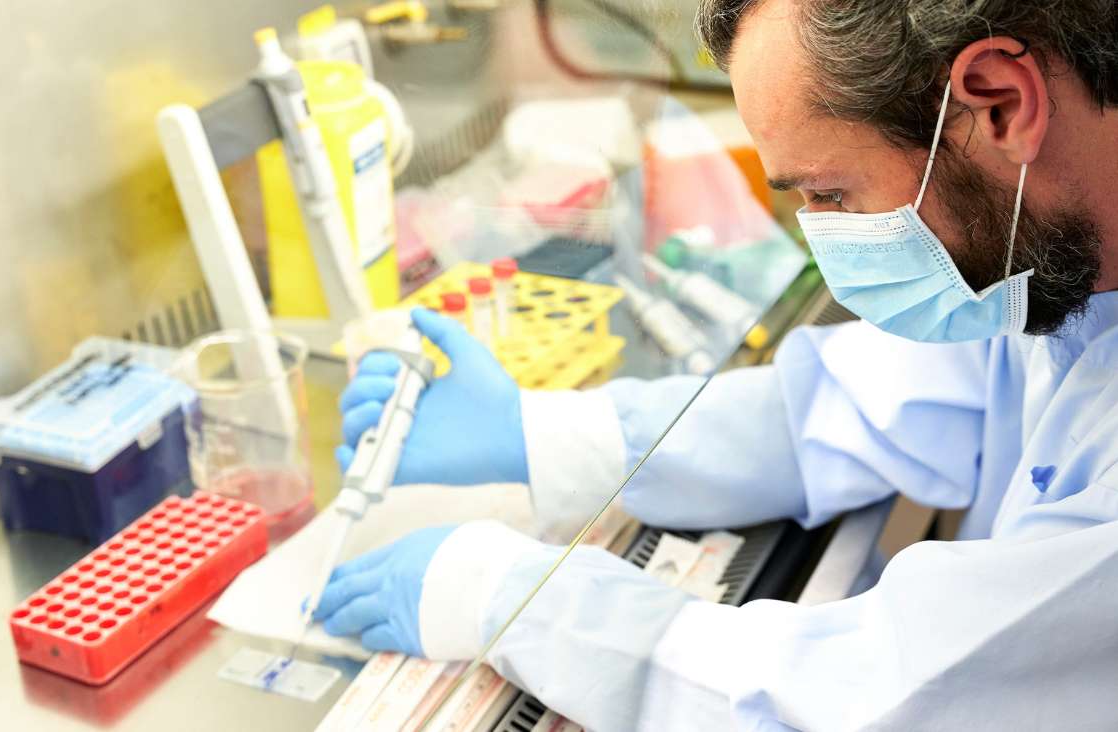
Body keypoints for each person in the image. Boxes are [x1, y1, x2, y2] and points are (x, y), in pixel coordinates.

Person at [315, 1, 1118, 728]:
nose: (822, 235)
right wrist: (544, 432)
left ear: (1000, 104)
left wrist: (522, 605)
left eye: (831, 194)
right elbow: (853, 404)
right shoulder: (1049, 260)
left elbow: (898, 694)